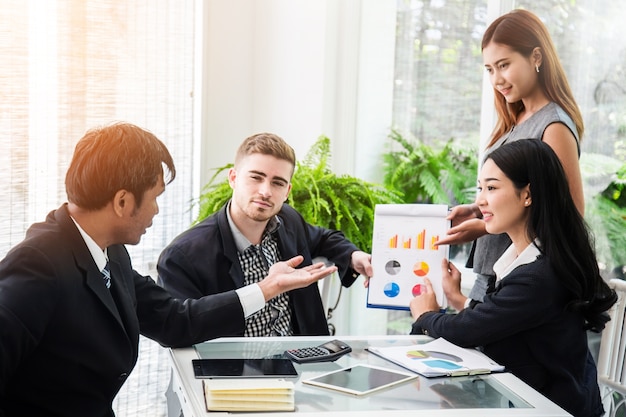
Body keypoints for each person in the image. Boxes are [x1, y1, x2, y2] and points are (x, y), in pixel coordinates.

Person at [0, 122, 337, 417]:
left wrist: (266, 289)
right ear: (122, 202)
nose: (157, 211)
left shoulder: (109, 252)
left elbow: (176, 321)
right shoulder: (38, 264)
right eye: (156, 197)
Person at [409, 140, 616, 417]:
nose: (480, 200)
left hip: (550, 409)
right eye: (480, 188)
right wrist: (459, 299)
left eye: (492, 188)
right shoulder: (532, 261)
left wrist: (426, 316)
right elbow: (502, 323)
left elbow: (467, 332)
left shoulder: (538, 277)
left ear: (527, 194)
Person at [436, 9, 585, 306]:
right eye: (490, 69)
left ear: (536, 57)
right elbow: (520, 192)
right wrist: (479, 211)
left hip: (516, 284)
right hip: (493, 278)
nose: (497, 79)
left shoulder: (552, 125)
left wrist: (486, 225)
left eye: (504, 65)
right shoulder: (514, 119)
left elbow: (569, 214)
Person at [157, 132, 373, 337]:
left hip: (303, 365)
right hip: (236, 371)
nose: (266, 191)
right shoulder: (184, 255)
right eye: (256, 178)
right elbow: (178, 327)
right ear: (233, 178)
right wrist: (267, 288)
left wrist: (354, 256)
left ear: (287, 191)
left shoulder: (289, 221)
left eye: (277, 183)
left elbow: (324, 238)